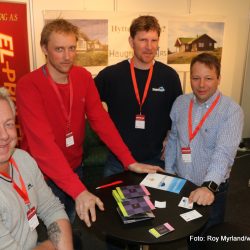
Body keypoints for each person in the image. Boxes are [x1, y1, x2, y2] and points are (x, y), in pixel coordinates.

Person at [16, 18, 163, 227]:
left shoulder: (82, 77)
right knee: (54, 229)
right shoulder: (28, 86)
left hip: (75, 167)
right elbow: (43, 147)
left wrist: (129, 160)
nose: (67, 57)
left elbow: (101, 121)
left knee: (74, 222)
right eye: (59, 49)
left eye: (72, 48)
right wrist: (78, 191)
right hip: (43, 175)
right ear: (44, 49)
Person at [165, 53, 244, 235]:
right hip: (182, 183)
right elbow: (173, 140)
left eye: (208, 78)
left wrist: (208, 187)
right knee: (186, 230)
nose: (201, 85)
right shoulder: (180, 103)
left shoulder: (232, 111)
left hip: (211, 188)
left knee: (208, 236)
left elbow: (223, 154)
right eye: (196, 78)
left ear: (218, 79)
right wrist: (169, 173)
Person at [95, 15, 182, 177]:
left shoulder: (169, 76)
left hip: (156, 160)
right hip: (118, 161)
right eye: (143, 40)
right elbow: (86, 102)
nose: (149, 47)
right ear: (131, 41)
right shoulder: (111, 75)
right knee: (113, 202)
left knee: (156, 203)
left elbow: (178, 114)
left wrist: (170, 138)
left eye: (154, 40)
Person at [0, 87, 73, 250]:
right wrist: (52, 246)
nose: (4, 135)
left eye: (8, 124)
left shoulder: (22, 158)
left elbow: (52, 209)